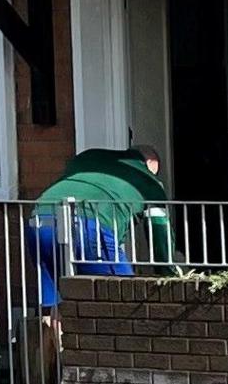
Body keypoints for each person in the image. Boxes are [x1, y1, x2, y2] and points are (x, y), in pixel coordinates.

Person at [29, 144, 172, 356]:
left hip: (39, 221)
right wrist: (167, 274)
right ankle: (119, 361)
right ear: (150, 164)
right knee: (126, 298)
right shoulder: (148, 181)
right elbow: (159, 232)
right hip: (89, 225)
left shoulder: (89, 156)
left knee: (58, 306)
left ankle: (54, 371)